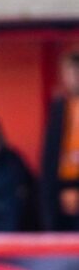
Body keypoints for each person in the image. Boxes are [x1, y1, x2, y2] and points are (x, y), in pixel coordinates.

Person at [39, 48, 79, 231]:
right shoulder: (59, 107)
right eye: (69, 72)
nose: (74, 77)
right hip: (62, 188)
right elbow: (50, 155)